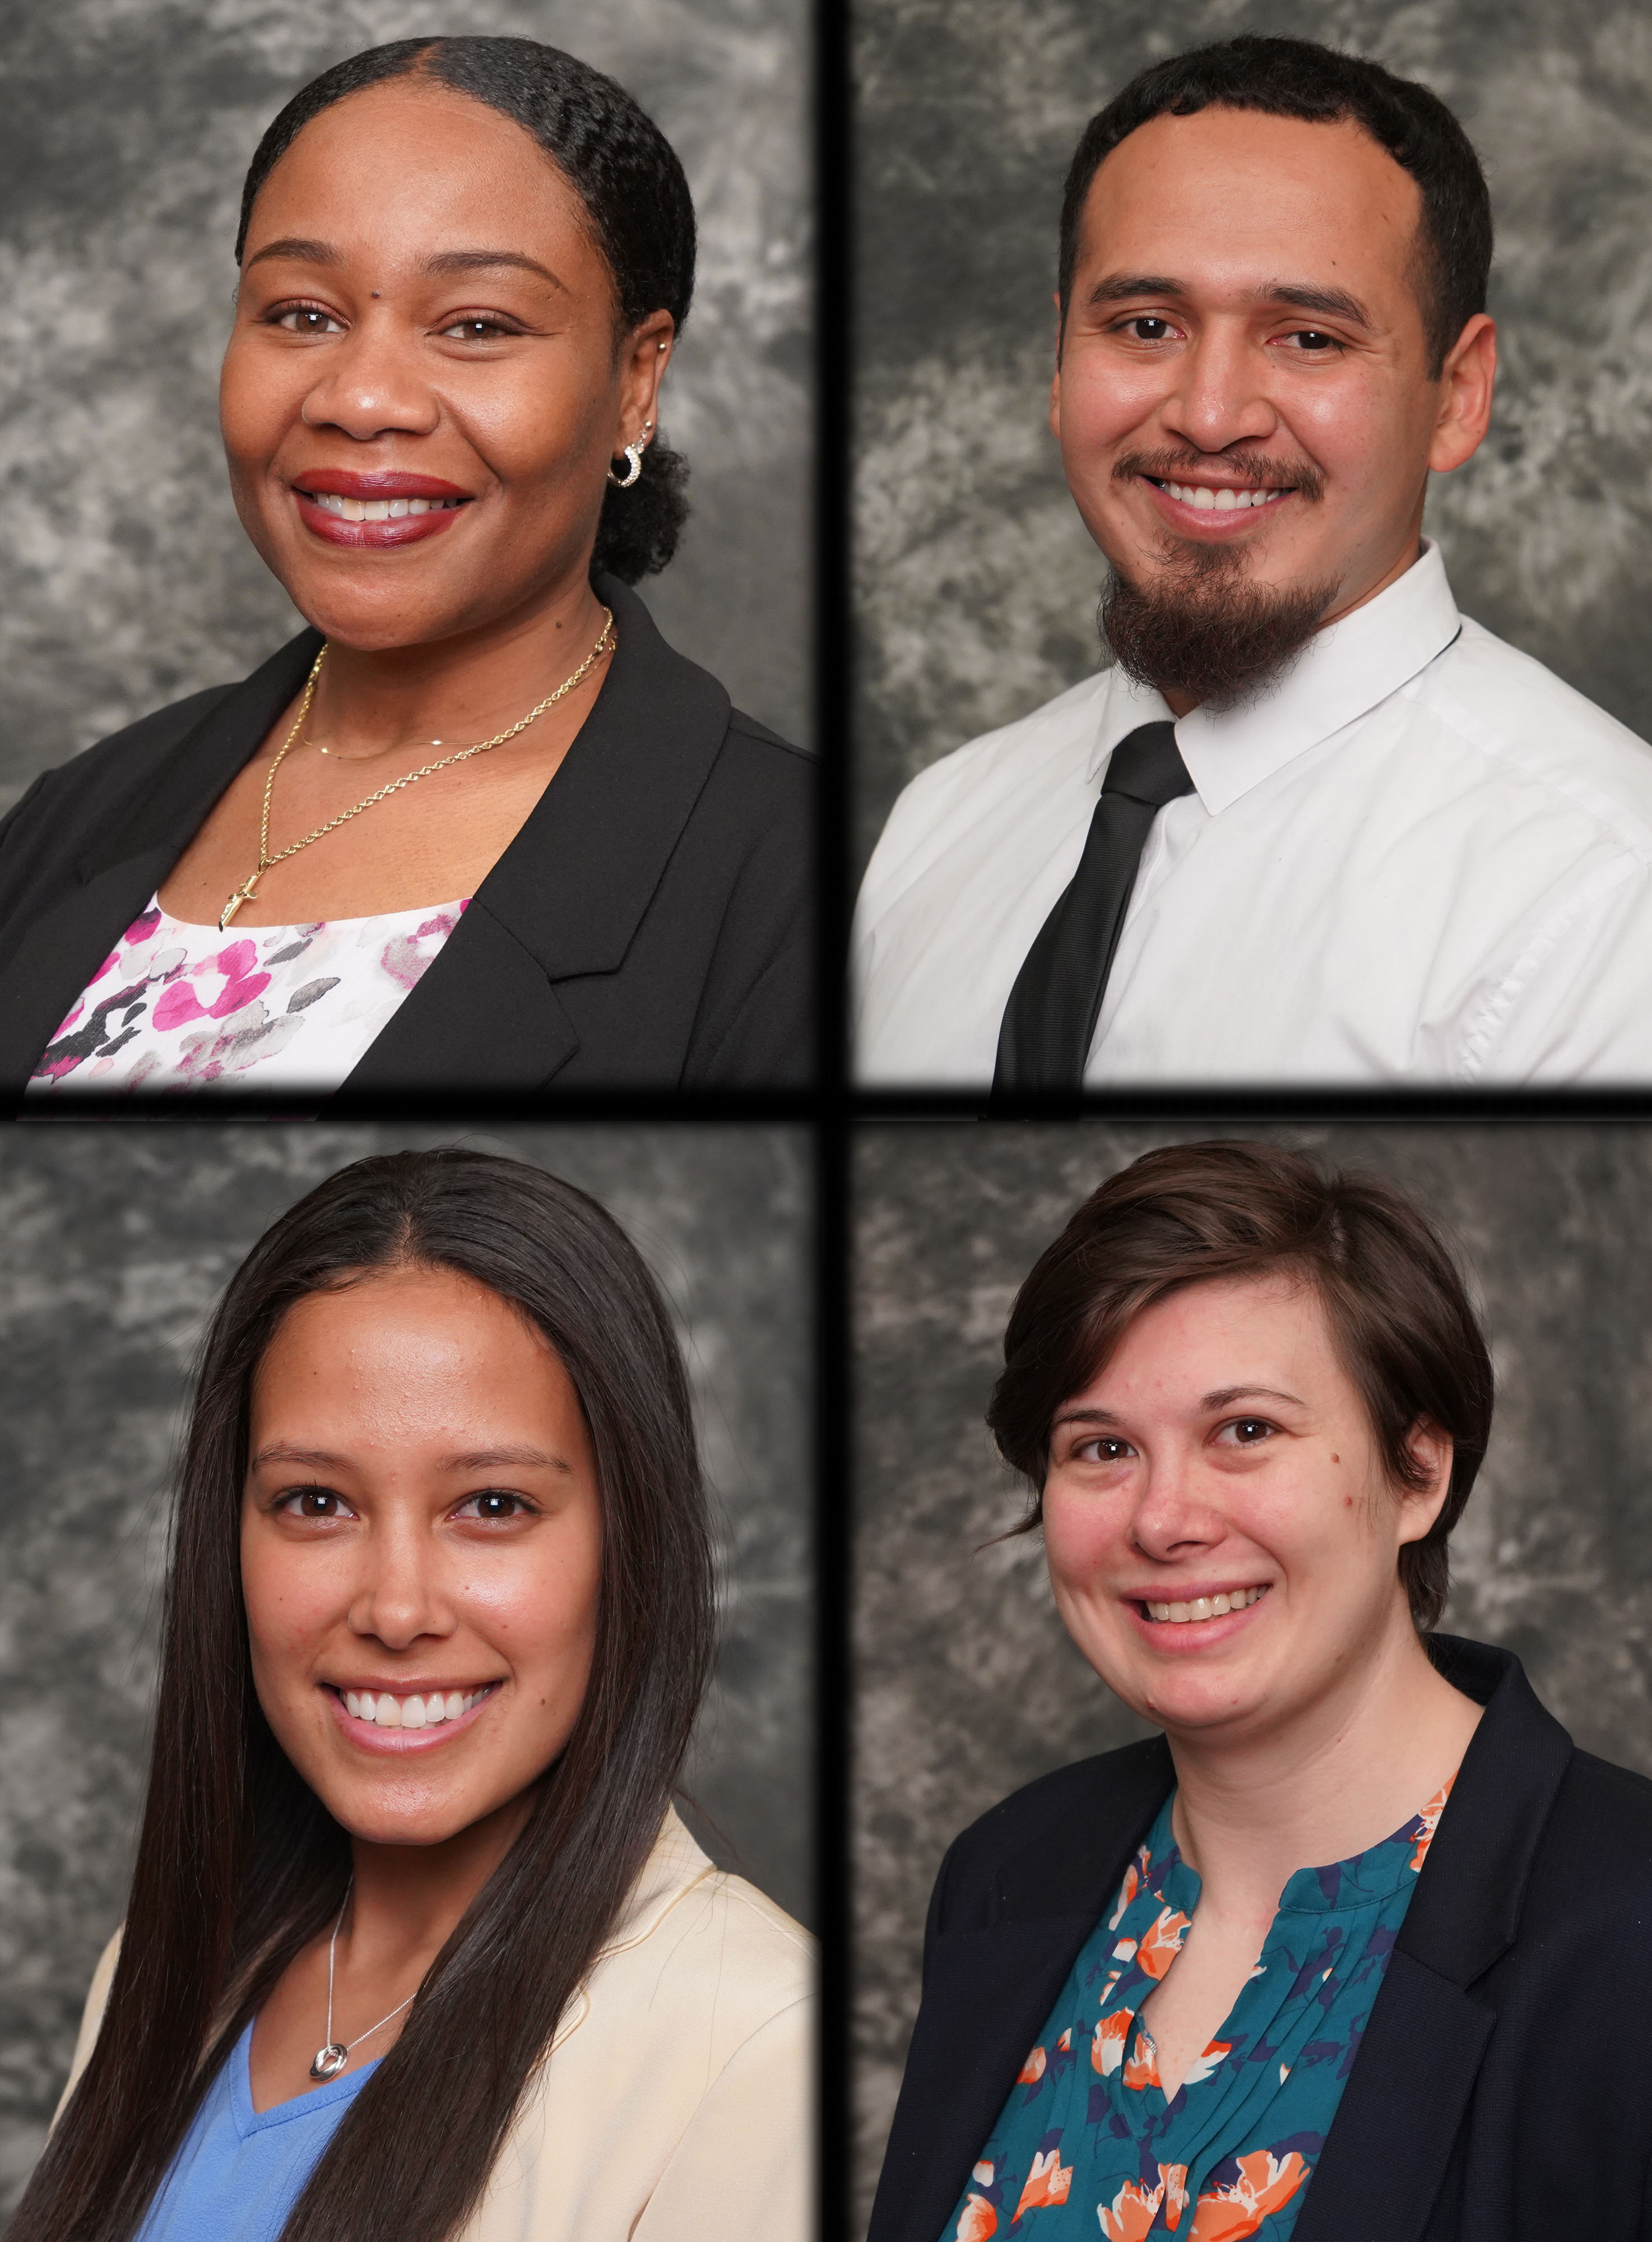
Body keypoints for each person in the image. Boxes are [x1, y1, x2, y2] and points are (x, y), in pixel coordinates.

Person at [11, 1150, 814, 2242]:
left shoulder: (755, 2041)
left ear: (630, 1542)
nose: (395, 1608)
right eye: (315, 1501)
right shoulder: (157, 1971)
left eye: (490, 1502)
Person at [0, 38, 813, 1099]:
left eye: (477, 325)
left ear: (634, 380)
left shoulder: (789, 879)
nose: (363, 397)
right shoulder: (78, 811)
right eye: (303, 314)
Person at [869, 1141, 1652, 2241]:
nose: (1162, 1517)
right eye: (1100, 1447)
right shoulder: (1004, 1873)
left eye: (1245, 1430)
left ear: (1416, 1471)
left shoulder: (1626, 1926)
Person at [853, 36, 1652, 1088]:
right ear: (1059, 366)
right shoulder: (941, 825)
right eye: (1146, 325)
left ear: (1456, 395)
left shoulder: (1599, 894)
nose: (1211, 416)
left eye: (1309, 338)